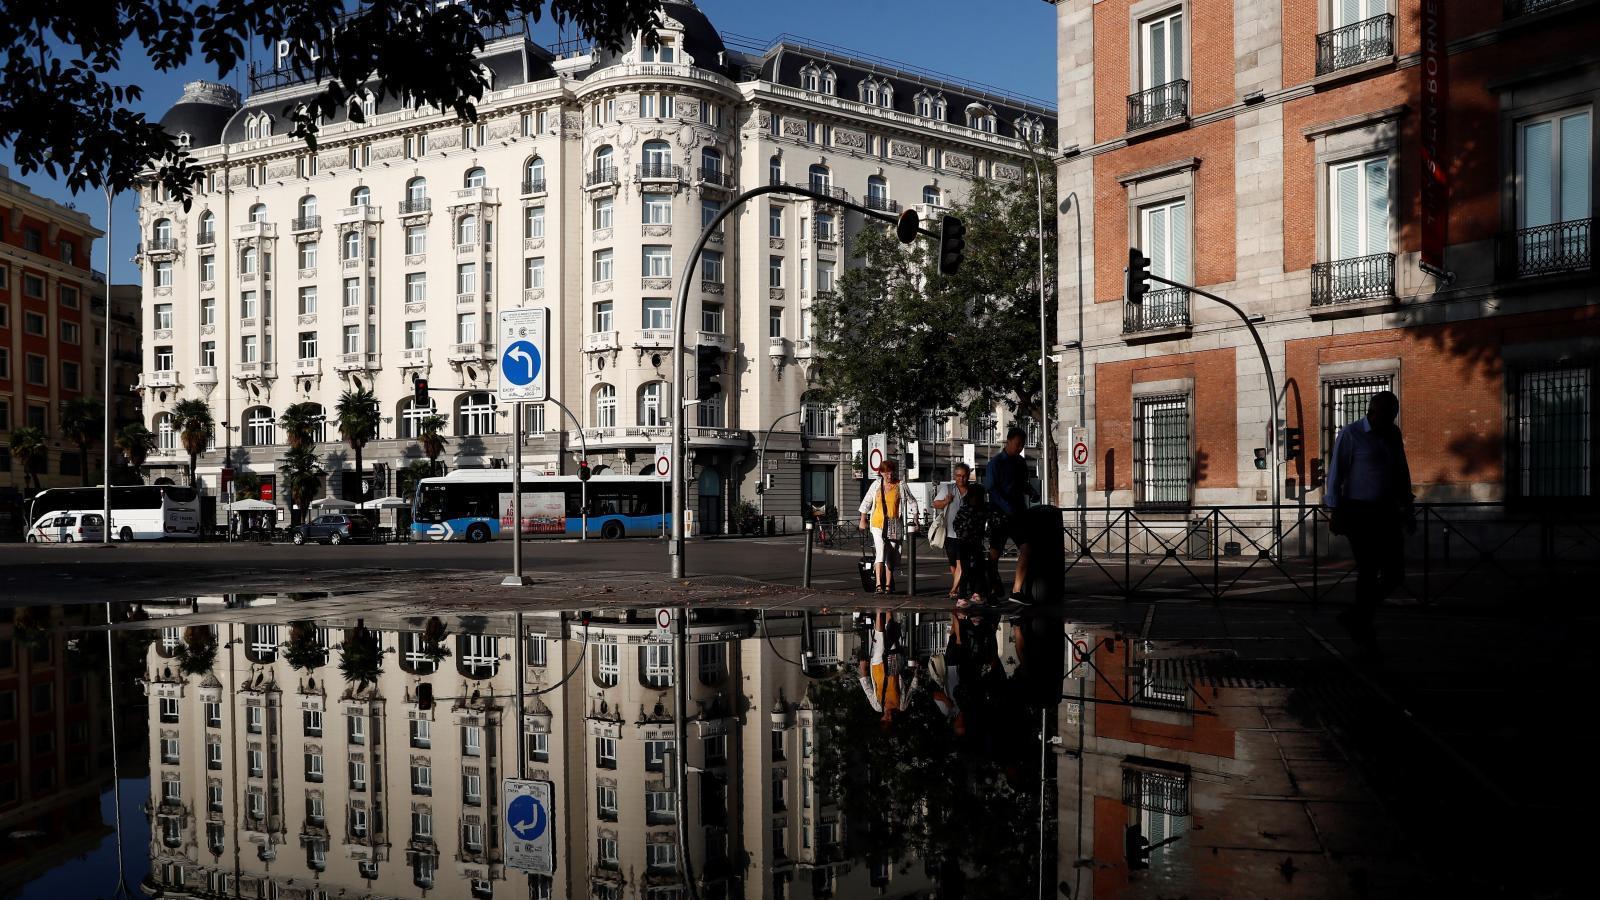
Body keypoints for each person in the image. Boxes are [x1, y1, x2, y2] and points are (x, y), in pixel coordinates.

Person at [1325, 390, 1414, 635]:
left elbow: (1402, 471)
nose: (1389, 420)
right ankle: (1362, 622)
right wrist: (1335, 511)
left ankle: (1357, 615)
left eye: (1393, 415)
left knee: (1395, 573)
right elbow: (1336, 473)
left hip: (1388, 511)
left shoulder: (1393, 434)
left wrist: (1408, 506)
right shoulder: (1351, 433)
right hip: (1359, 512)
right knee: (1368, 569)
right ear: (1372, 412)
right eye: (1386, 415)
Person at [985, 426, 1038, 605]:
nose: (1020, 448)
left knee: (1026, 548)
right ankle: (992, 591)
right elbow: (992, 489)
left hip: (1017, 512)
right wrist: (1006, 507)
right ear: (1008, 441)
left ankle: (1016, 590)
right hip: (999, 513)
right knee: (994, 553)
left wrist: (1032, 492)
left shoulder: (1021, 463)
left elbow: (1023, 483)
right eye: (1018, 444)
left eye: (1022, 445)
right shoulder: (995, 463)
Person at [858, 458, 921, 594]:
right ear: (881, 473)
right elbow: (866, 502)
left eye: (892, 472)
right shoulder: (876, 485)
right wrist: (863, 520)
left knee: (890, 555)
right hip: (877, 523)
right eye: (886, 473)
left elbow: (912, 502)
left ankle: (888, 585)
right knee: (880, 551)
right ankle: (878, 585)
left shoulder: (901, 485)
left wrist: (916, 520)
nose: (890, 475)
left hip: (894, 525)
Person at [931, 463, 977, 598]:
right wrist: (946, 501)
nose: (961, 479)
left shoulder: (973, 491)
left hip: (966, 534)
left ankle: (954, 589)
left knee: (960, 562)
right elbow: (935, 503)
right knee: (953, 563)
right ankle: (961, 585)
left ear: (968, 476)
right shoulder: (948, 488)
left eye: (964, 476)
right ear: (954, 476)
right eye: (958, 476)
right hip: (950, 533)